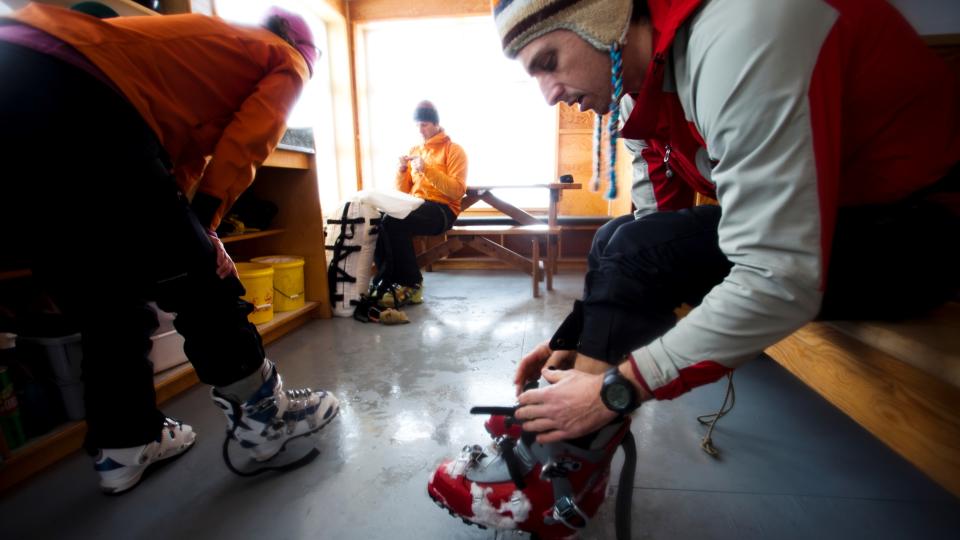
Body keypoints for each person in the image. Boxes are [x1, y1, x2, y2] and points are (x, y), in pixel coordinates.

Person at [428, 0, 959, 534]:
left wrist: (618, 389)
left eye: (548, 61)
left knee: (631, 248)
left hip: (920, 231)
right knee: (616, 234)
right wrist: (577, 335)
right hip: (836, 214)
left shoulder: (744, 31)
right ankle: (570, 430)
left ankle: (563, 456)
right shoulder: (644, 86)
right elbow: (653, 233)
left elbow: (780, 277)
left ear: (601, 17)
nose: (550, 96)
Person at [0, 3, 340, 494]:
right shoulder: (281, 57)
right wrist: (201, 233)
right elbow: (246, 144)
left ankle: (124, 446)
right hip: (73, 92)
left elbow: (170, 171)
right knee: (203, 279)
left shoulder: (201, 50)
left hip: (17, 82)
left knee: (105, 298)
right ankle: (265, 413)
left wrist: (195, 228)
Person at [372, 100, 468, 307]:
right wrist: (402, 171)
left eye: (424, 124)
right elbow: (402, 194)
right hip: (415, 205)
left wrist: (427, 170)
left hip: (443, 211)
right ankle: (386, 281)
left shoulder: (454, 150)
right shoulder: (415, 149)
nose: (420, 130)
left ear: (436, 124)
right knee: (377, 220)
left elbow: (456, 191)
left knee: (394, 222)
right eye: (417, 125)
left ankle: (411, 284)